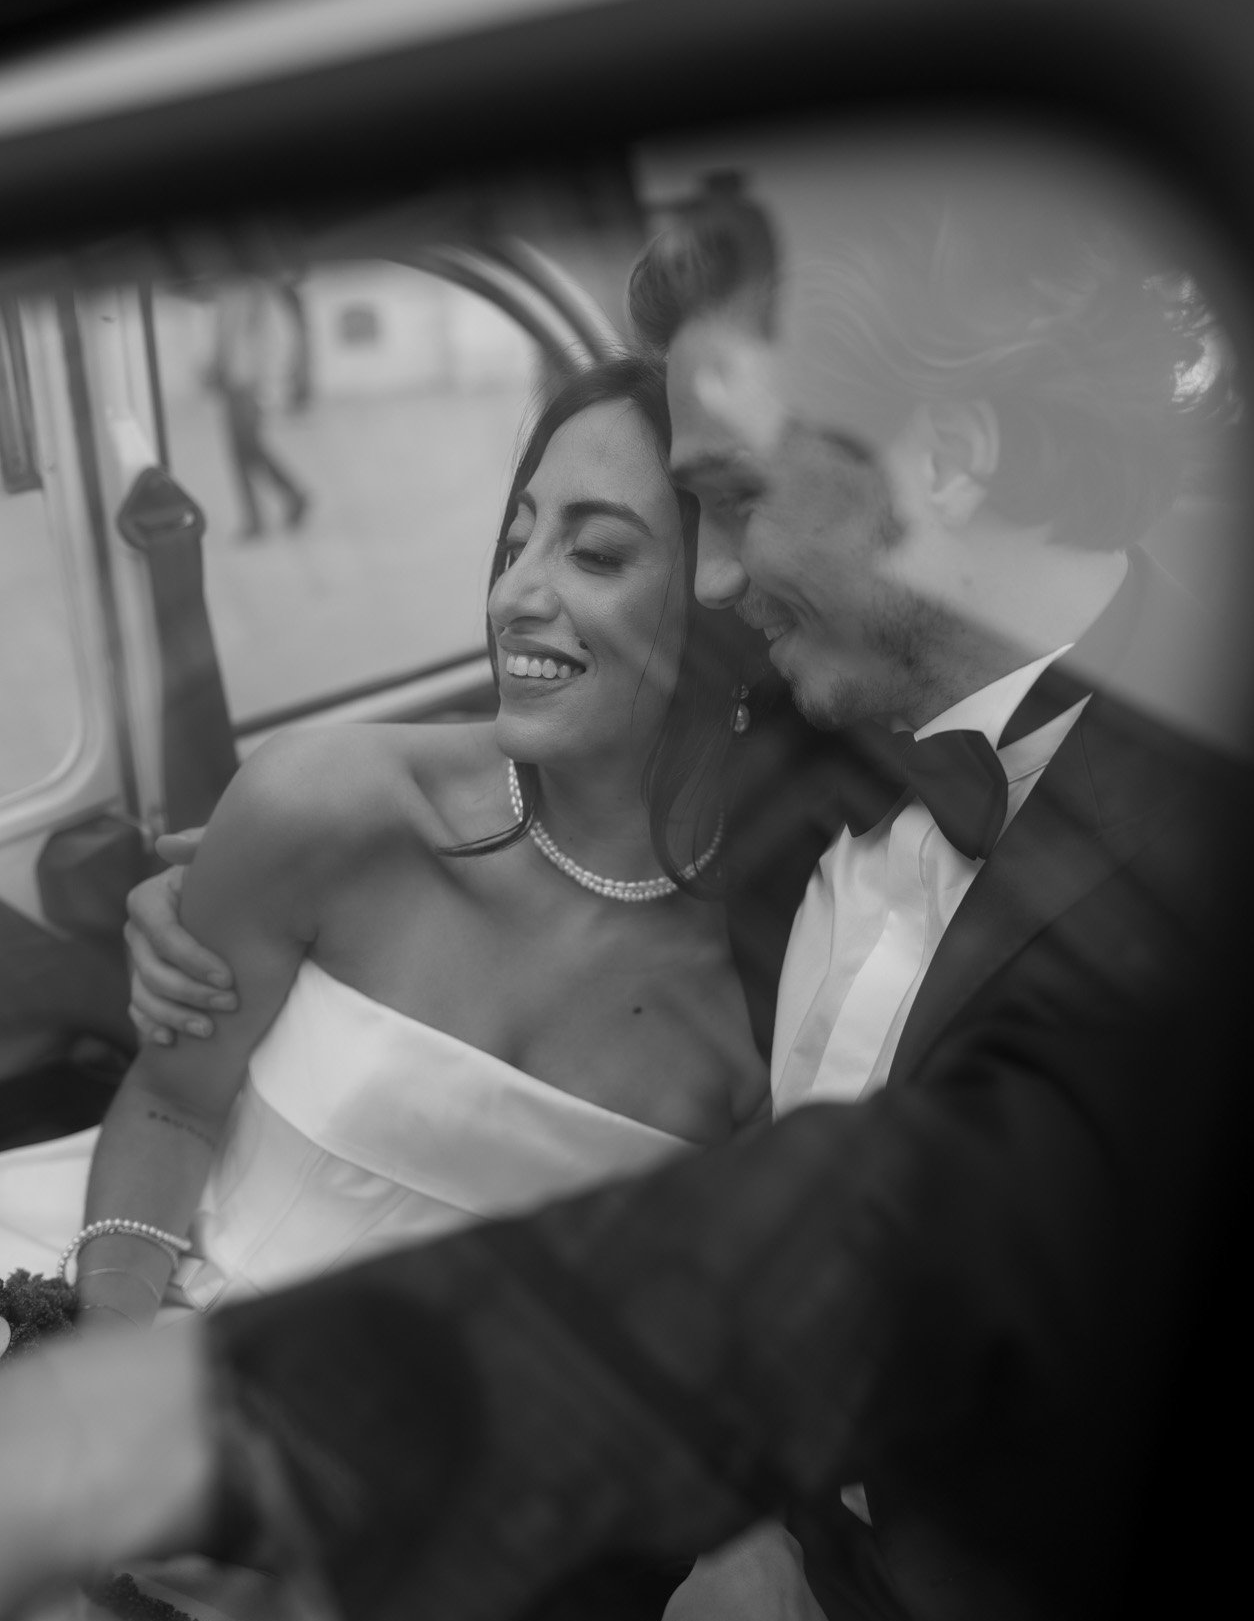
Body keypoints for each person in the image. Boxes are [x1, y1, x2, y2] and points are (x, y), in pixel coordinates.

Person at [0, 144, 1246, 1621]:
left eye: (722, 507)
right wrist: (190, 899)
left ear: (937, 468)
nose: (719, 580)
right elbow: (522, 796)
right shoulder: (815, 723)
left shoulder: (1213, 899)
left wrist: (746, 1523)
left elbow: (920, 1244)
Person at [0, 356, 765, 1331]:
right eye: (517, 538)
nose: (509, 597)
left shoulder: (776, 975)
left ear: (731, 593)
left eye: (597, 554)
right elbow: (167, 1102)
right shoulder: (321, 801)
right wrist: (112, 1353)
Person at [212, 278, 310, 538]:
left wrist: (268, 385)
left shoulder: (260, 295)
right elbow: (226, 336)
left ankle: (287, 497)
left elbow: (276, 342)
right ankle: (263, 511)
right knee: (243, 449)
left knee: (249, 447)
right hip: (234, 383)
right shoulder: (232, 291)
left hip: (250, 385)